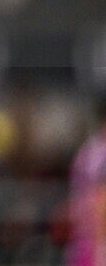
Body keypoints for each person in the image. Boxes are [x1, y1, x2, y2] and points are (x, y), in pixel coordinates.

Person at [68, 99, 106, 266]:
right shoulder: (98, 154)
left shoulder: (88, 151)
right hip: (94, 239)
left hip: (85, 238)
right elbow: (100, 202)